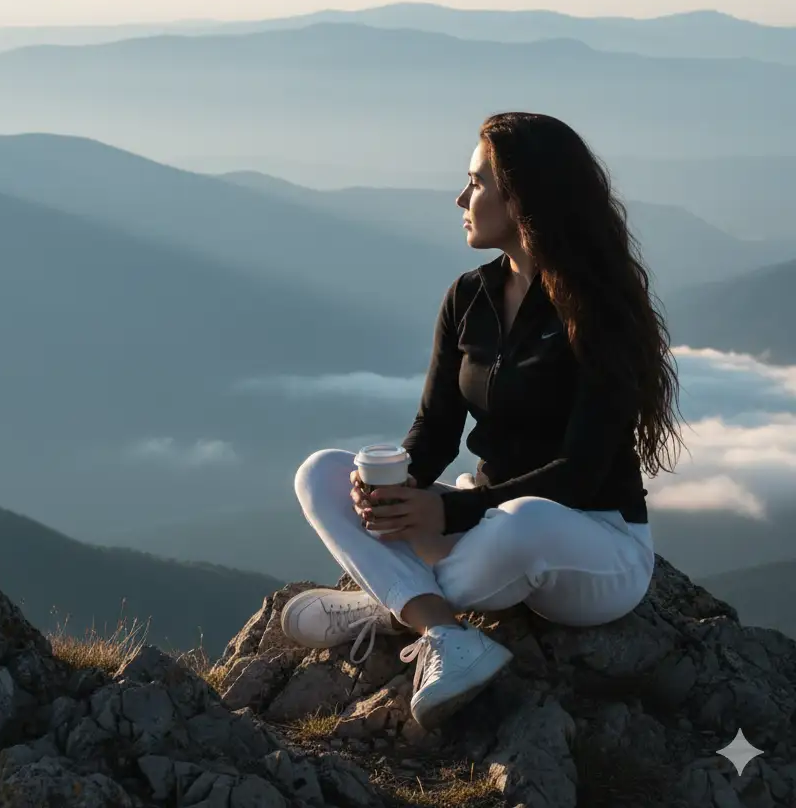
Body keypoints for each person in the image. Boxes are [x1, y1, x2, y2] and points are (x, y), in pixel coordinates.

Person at [280, 112, 684, 730]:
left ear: (522, 198)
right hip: (484, 524)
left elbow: (579, 475)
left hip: (592, 544)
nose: (461, 198)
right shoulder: (469, 295)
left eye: (476, 183)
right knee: (323, 473)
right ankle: (442, 630)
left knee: (525, 521)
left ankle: (382, 605)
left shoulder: (599, 312)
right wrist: (391, 486)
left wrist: (449, 512)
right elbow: (435, 430)